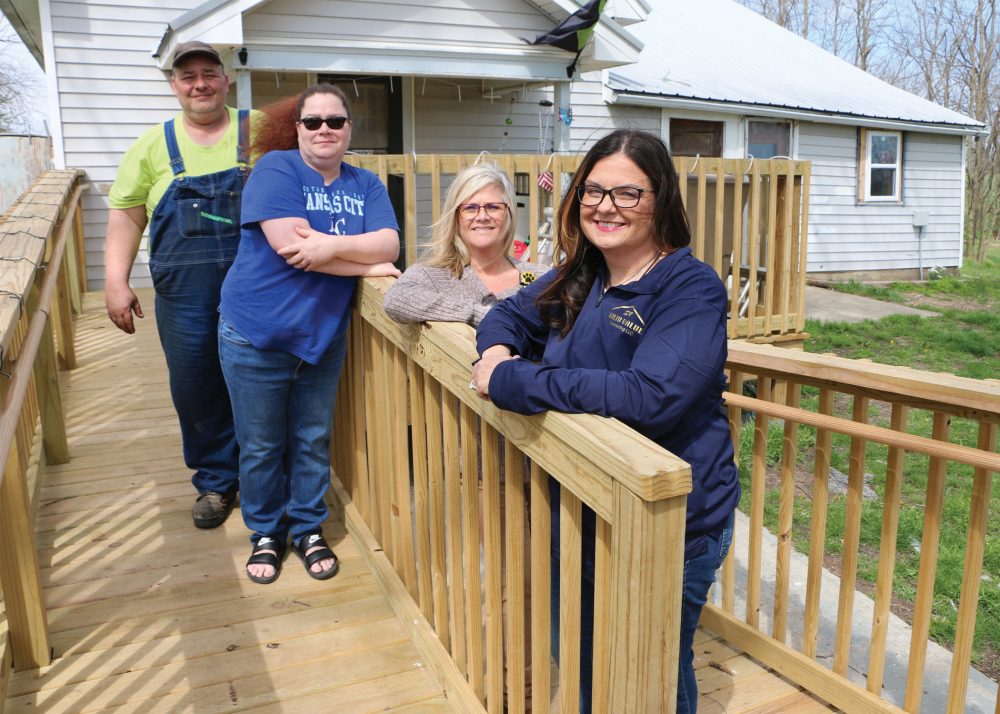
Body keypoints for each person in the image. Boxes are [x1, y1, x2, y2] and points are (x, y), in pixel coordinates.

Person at [472, 129, 740, 713]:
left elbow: (651, 396)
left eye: (628, 193)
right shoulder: (583, 272)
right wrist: (493, 355)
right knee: (582, 654)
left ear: (661, 199)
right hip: (580, 506)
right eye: (593, 191)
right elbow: (509, 315)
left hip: (671, 521)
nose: (606, 206)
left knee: (653, 675)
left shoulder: (688, 287)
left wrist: (515, 382)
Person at [218, 83, 400, 584]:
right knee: (260, 444)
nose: (324, 129)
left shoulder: (366, 184)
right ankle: (265, 532)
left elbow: (390, 241)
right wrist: (362, 265)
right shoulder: (277, 169)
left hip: (321, 337)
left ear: (348, 129)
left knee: (312, 439)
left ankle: (307, 526)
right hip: (256, 333)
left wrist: (329, 247)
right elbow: (291, 248)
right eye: (313, 121)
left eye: (335, 121)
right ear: (297, 128)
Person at [104, 41, 255, 529]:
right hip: (183, 292)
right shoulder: (151, 146)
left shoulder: (262, 132)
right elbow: (127, 217)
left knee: (262, 381)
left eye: (209, 73)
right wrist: (114, 281)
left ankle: (265, 477)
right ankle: (215, 479)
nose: (200, 84)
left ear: (225, 79)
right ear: (175, 86)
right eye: (188, 76)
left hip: (257, 285)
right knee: (195, 385)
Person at [383, 162, 548, 327]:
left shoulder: (541, 277)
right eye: (470, 208)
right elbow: (396, 299)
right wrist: (482, 314)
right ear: (455, 216)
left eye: (493, 207)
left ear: (509, 214)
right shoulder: (433, 275)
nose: (482, 216)